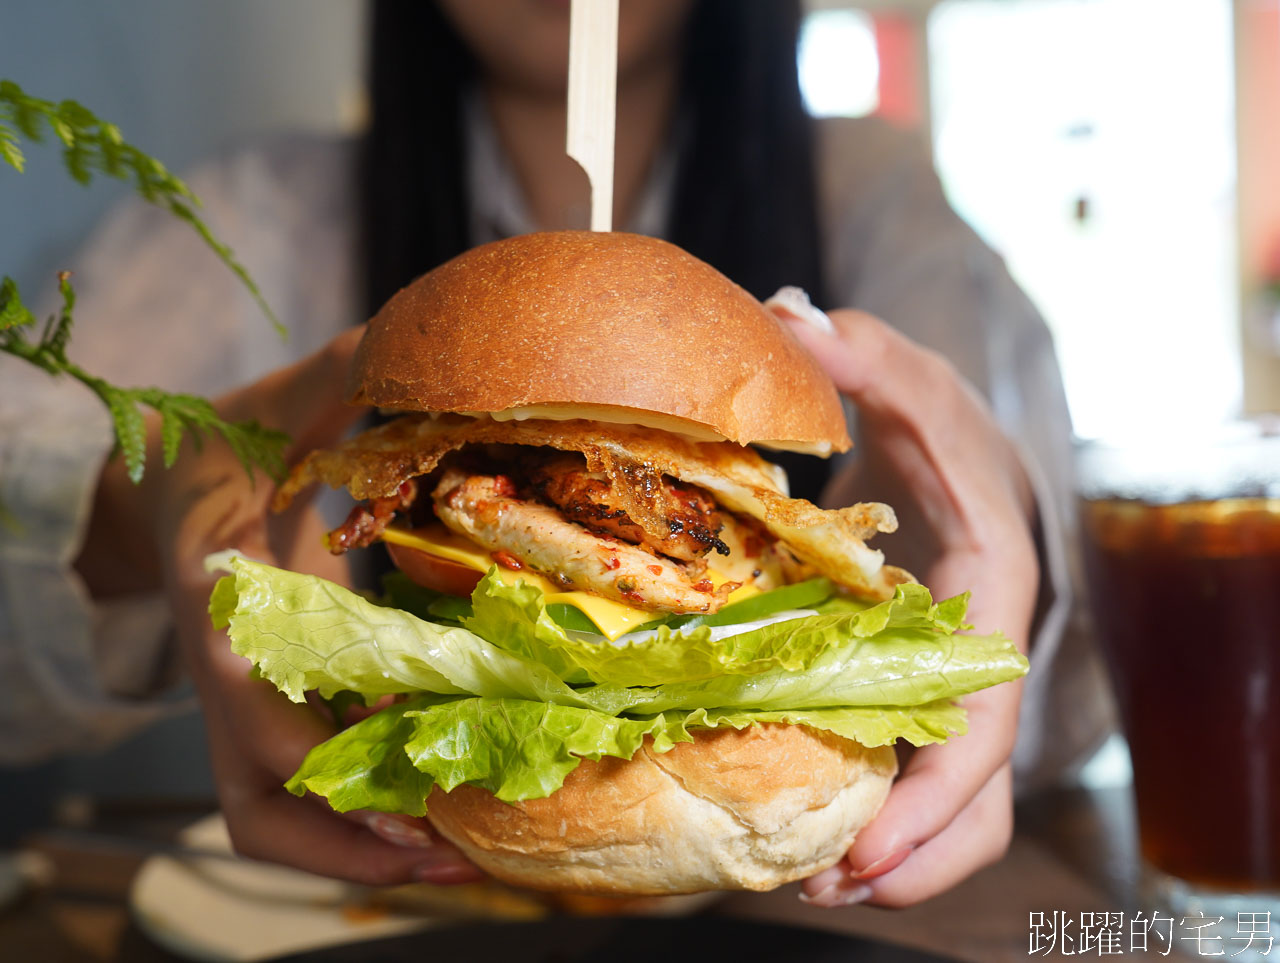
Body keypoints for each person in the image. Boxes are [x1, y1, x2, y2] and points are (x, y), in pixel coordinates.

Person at [0, 0, 1110, 908]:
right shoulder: (259, 214)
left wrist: (1000, 502)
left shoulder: (876, 190)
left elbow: (1067, 671)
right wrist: (140, 502)